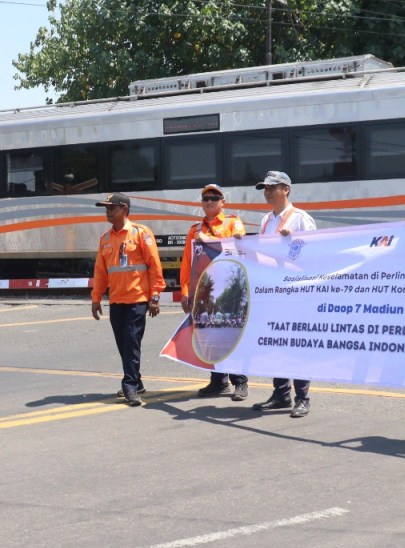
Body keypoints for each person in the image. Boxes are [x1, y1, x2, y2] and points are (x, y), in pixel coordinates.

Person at [250, 171, 316, 418]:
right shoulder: (266, 219)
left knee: (297, 344)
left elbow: (311, 255)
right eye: (264, 188)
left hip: (295, 292)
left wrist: (292, 245)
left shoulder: (300, 219)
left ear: (286, 189)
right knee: (275, 342)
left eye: (271, 187)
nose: (267, 192)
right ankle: (280, 394)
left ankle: (302, 397)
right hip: (272, 291)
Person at [90, 192, 166, 407]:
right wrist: (96, 298)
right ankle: (137, 381)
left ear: (124, 210)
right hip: (116, 301)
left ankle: (130, 385)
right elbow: (100, 272)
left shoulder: (141, 233)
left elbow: (154, 265)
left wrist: (155, 295)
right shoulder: (105, 238)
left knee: (131, 342)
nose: (108, 211)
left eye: (112, 208)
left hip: (137, 299)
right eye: (106, 208)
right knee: (123, 345)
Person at [180, 184, 249, 400]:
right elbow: (187, 264)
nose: (209, 201)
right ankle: (218, 381)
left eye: (214, 197)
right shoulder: (194, 230)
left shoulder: (233, 222)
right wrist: (185, 291)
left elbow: (238, 244)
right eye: (205, 198)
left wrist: (209, 240)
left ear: (223, 202)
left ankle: (240, 382)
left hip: (227, 287)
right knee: (208, 336)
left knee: (232, 333)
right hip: (205, 289)